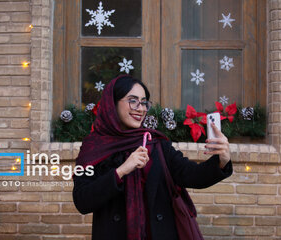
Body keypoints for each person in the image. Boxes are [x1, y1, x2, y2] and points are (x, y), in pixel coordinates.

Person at [73, 75, 233, 240]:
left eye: (144, 102)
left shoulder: (156, 143)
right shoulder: (93, 148)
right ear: (112, 104)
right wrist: (121, 171)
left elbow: (191, 175)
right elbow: (82, 201)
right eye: (133, 101)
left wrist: (222, 160)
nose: (141, 108)